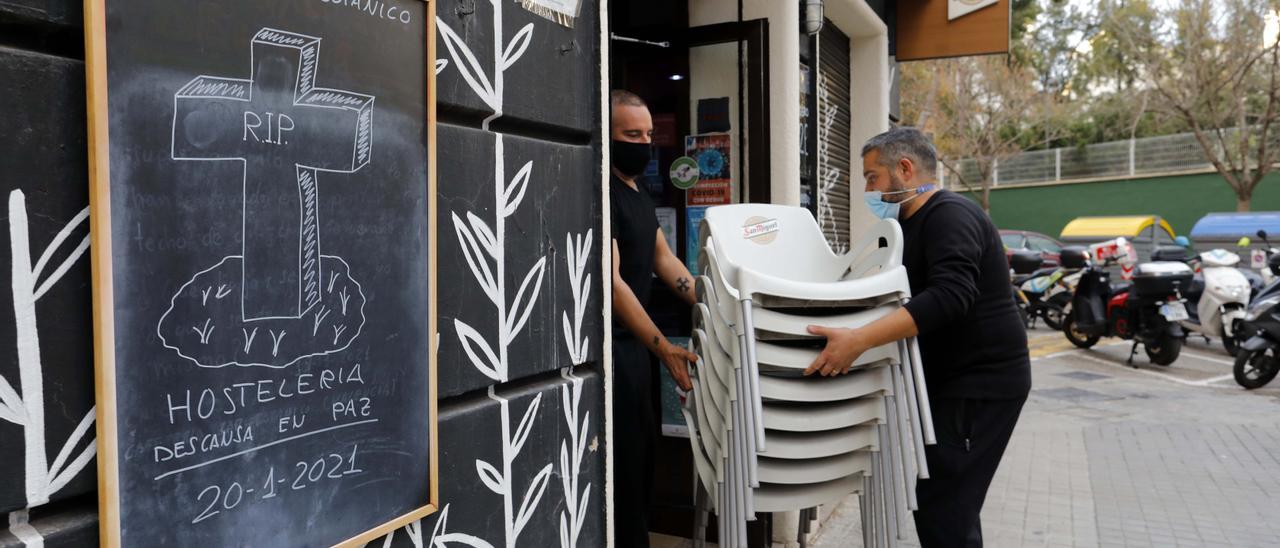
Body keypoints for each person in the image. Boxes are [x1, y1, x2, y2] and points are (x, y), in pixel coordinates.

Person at [803, 127, 1031, 547]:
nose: (867, 188)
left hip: (980, 386)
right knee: (948, 503)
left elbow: (951, 296)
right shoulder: (913, 224)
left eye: (872, 177)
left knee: (944, 506)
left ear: (904, 169)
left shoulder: (950, 215)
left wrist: (860, 339)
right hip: (955, 385)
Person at [608, 89, 699, 548]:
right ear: (606, 135)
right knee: (622, 467)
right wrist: (664, 348)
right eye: (631, 134)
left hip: (639, 353)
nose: (643, 143)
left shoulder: (638, 189)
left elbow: (664, 258)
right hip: (614, 354)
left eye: (647, 134)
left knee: (644, 458)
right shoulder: (601, 191)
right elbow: (614, 283)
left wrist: (710, 300)